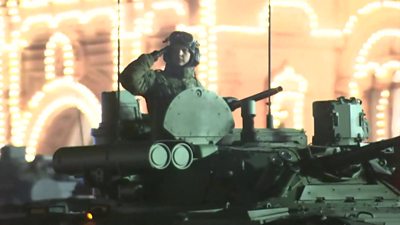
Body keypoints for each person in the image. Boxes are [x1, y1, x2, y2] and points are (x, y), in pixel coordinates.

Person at [120, 31, 203, 140]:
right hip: (163, 144)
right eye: (174, 51)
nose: (179, 54)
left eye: (184, 50)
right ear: (168, 54)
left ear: (193, 54)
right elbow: (129, 78)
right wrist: (152, 57)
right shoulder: (156, 80)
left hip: (193, 143)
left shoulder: (196, 85)